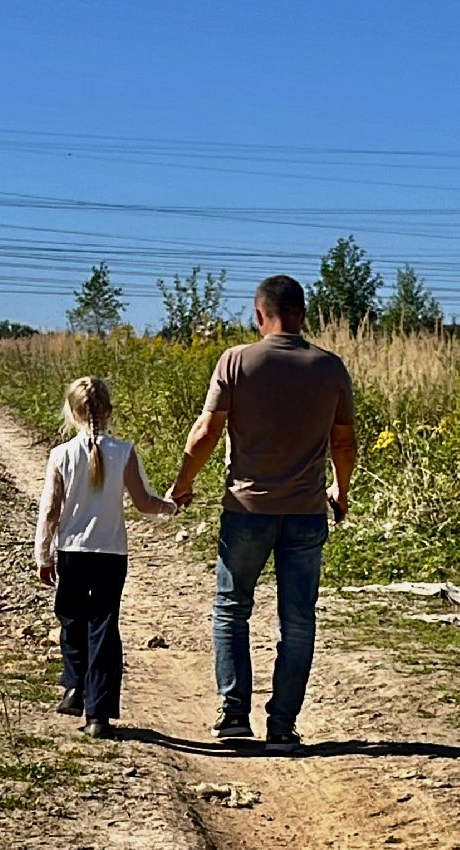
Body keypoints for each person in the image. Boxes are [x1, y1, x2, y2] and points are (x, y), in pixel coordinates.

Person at [167, 275, 356, 753]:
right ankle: (283, 726)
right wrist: (341, 489)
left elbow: (206, 432)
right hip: (307, 511)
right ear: (303, 313)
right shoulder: (330, 367)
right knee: (298, 620)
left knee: (232, 609)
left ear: (258, 314)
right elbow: (344, 442)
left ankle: (234, 717)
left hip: (247, 509)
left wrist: (184, 481)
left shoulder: (236, 361)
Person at [35, 376, 179, 737]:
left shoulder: (61, 455)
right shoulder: (124, 452)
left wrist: (44, 554)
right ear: (109, 412)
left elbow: (51, 509)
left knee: (70, 618)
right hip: (111, 554)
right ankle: (98, 713)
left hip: (72, 551)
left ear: (71, 412)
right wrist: (172, 507)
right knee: (103, 626)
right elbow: (145, 502)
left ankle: (74, 684)